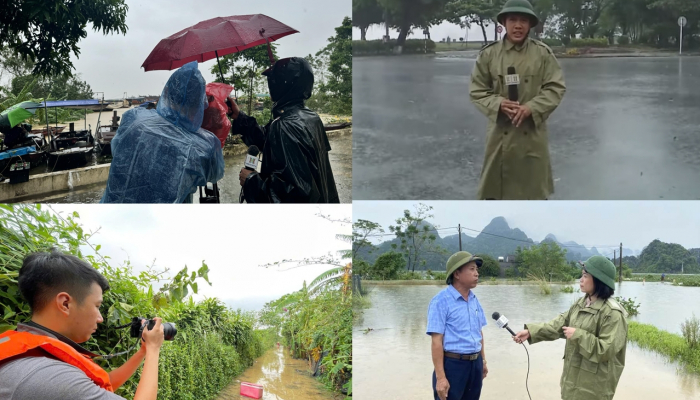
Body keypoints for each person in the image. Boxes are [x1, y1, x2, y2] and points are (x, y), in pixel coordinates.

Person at [0, 250, 165, 400]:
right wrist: (153, 349)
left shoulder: (28, 354)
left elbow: (101, 388)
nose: (100, 318)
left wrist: (143, 351)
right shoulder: (48, 376)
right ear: (65, 303)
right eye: (97, 306)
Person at [469, 0, 566, 200]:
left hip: (531, 135)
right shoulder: (489, 55)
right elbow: (477, 90)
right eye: (513, 19)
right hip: (499, 136)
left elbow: (555, 87)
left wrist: (532, 107)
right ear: (504, 22)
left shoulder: (543, 54)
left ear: (530, 24)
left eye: (523, 20)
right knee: (494, 194)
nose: (518, 25)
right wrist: (498, 104)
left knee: (533, 194)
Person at [101, 61, 225, 203]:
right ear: (201, 103)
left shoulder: (133, 118)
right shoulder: (206, 145)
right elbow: (215, 174)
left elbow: (117, 149)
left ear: (166, 92)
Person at [513, 256, 628, 400]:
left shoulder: (612, 313)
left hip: (594, 390)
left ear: (599, 280)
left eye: (585, 276)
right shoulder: (581, 303)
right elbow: (559, 324)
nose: (581, 279)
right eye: (582, 275)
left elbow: (606, 350)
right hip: (571, 383)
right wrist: (531, 332)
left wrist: (578, 335)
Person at [227, 57, 340, 203]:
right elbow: (270, 143)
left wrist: (251, 180)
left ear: (281, 84)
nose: (270, 86)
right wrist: (239, 117)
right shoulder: (310, 117)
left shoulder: (286, 125)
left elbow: (296, 194)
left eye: (273, 81)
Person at [426, 251, 488, 400]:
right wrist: (441, 378)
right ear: (457, 274)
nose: (476, 273)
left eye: (477, 270)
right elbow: (436, 341)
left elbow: (479, 333)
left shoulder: (474, 300)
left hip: (475, 364)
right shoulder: (441, 301)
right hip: (453, 366)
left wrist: (483, 361)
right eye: (472, 269)